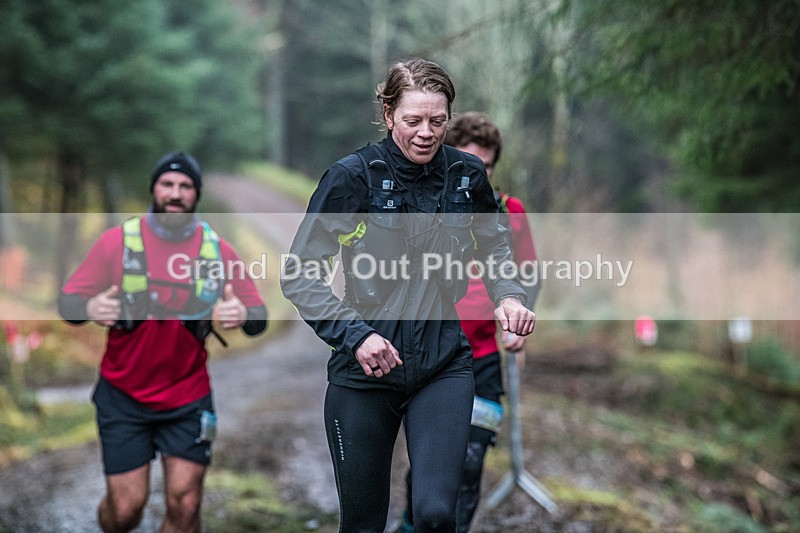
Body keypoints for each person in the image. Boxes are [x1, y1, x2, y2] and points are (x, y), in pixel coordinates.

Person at [281, 58, 536, 532]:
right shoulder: (351, 178)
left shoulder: (467, 174)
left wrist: (508, 296)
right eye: (413, 120)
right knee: (363, 523)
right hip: (365, 370)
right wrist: (355, 337)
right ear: (387, 113)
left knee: (438, 514)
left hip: (443, 367)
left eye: (437, 121)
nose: (426, 132)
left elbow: (496, 245)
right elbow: (299, 275)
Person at [58, 151, 268, 533]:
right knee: (125, 510)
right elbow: (68, 303)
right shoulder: (118, 243)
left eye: (185, 186)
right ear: (154, 189)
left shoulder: (217, 251)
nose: (175, 193)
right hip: (123, 396)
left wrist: (243, 315)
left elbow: (259, 318)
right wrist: (90, 304)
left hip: (188, 398)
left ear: (196, 194)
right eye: (167, 184)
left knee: (186, 505)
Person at [397, 112, 540, 533]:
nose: (478, 171)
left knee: (470, 463)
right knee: (428, 473)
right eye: (469, 160)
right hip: (424, 356)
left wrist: (517, 324)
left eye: (488, 165)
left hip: (480, 360)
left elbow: (528, 273)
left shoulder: (507, 209)